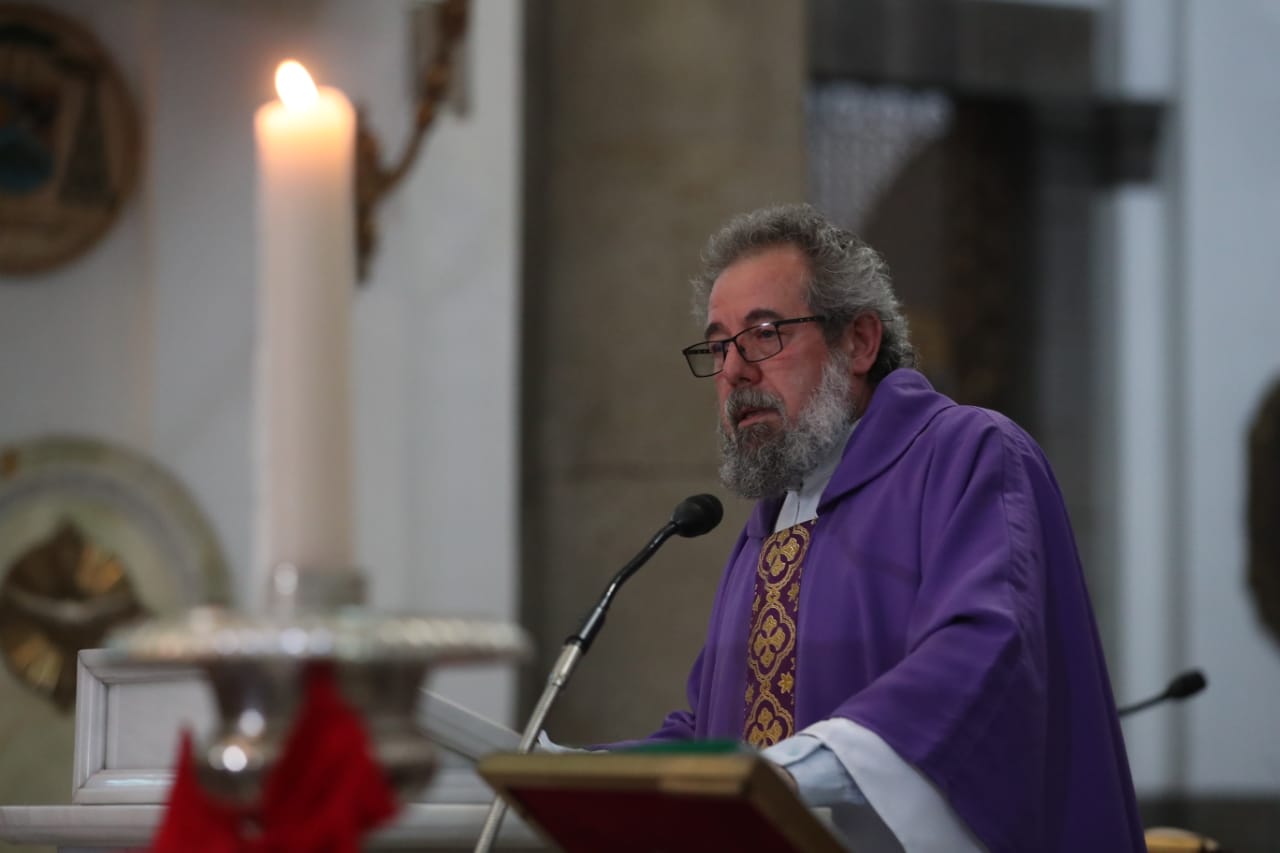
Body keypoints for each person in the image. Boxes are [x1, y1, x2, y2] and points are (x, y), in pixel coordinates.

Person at [635, 203, 1144, 851]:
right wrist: (564, 770)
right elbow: (712, 725)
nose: (734, 370)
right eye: (718, 344)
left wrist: (781, 774)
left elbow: (983, 656)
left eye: (764, 334)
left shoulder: (969, 453)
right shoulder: (770, 522)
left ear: (860, 342)